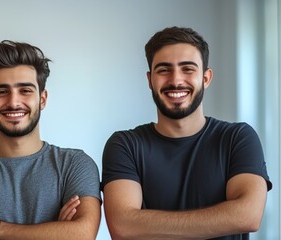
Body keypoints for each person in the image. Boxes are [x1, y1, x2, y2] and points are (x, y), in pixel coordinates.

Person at [101, 26, 272, 239]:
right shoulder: (125, 145)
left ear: (206, 78)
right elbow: (123, 227)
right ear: (149, 80)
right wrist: (223, 218)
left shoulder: (237, 138)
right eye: (164, 70)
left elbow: (248, 216)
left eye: (188, 69)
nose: (176, 80)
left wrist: (145, 224)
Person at [0, 40, 102, 240]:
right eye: (2, 92)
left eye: (25, 90)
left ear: (43, 99)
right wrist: (53, 232)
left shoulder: (74, 164)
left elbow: (82, 235)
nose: (13, 102)